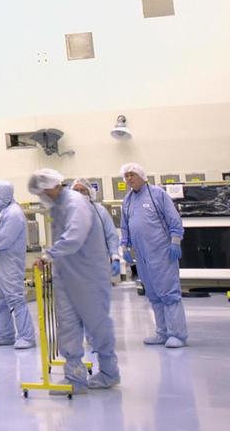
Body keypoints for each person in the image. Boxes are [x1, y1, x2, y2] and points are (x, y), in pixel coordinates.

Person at [28, 169, 120, 390]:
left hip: (89, 276)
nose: (41, 196)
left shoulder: (75, 203)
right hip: (66, 276)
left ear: (51, 186)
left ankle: (109, 372)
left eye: (42, 191)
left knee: (97, 324)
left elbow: (75, 236)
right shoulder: (59, 206)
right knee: (68, 325)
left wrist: (49, 255)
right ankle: (75, 377)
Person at [119, 163, 188, 348]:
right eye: (126, 176)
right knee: (154, 294)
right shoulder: (127, 200)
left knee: (169, 293)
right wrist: (124, 245)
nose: (129, 179)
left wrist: (175, 241)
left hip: (162, 252)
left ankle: (177, 334)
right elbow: (125, 224)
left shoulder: (157, 194)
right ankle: (162, 332)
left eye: (132, 175)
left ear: (142, 175)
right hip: (142, 256)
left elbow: (173, 219)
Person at [0, 180, 35, 349]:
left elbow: (5, 239)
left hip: (10, 262)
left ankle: (27, 336)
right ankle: (5, 334)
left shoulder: (14, 213)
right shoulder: (2, 211)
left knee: (15, 298)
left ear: (5, 194)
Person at [71, 178, 121, 279]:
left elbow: (111, 235)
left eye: (83, 190)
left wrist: (115, 257)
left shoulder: (100, 212)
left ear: (90, 193)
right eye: (76, 191)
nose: (79, 194)